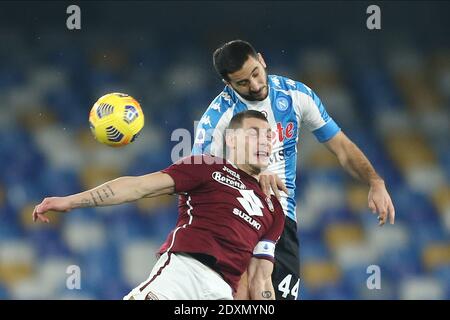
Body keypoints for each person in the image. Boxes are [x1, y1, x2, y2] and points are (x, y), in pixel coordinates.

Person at [192, 40, 396, 300]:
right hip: (236, 222)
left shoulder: (296, 95)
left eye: (255, 73)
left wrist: (375, 182)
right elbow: (198, 183)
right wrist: (247, 182)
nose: (254, 85)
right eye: (242, 83)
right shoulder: (216, 120)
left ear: (262, 60)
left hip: (282, 222)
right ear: (228, 85)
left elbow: (341, 147)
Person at [32, 110, 285, 300]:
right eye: (254, 133)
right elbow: (138, 187)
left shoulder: (274, 207)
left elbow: (260, 278)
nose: (264, 141)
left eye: (268, 136)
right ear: (231, 139)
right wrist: (70, 201)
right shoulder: (207, 167)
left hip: (221, 294)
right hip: (183, 275)